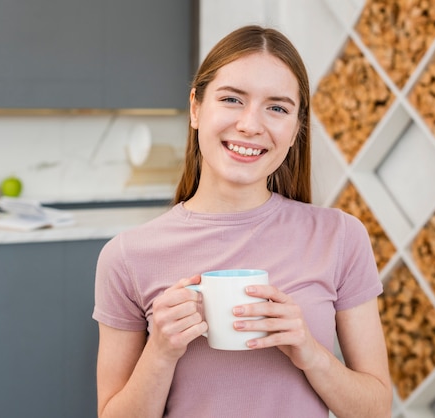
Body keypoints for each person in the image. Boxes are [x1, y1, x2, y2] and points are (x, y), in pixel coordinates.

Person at [92, 25, 392, 418]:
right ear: (196, 108)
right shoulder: (126, 256)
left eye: (278, 108)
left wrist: (310, 353)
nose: (251, 124)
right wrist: (161, 352)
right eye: (232, 99)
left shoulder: (340, 236)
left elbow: (376, 410)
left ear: (296, 128)